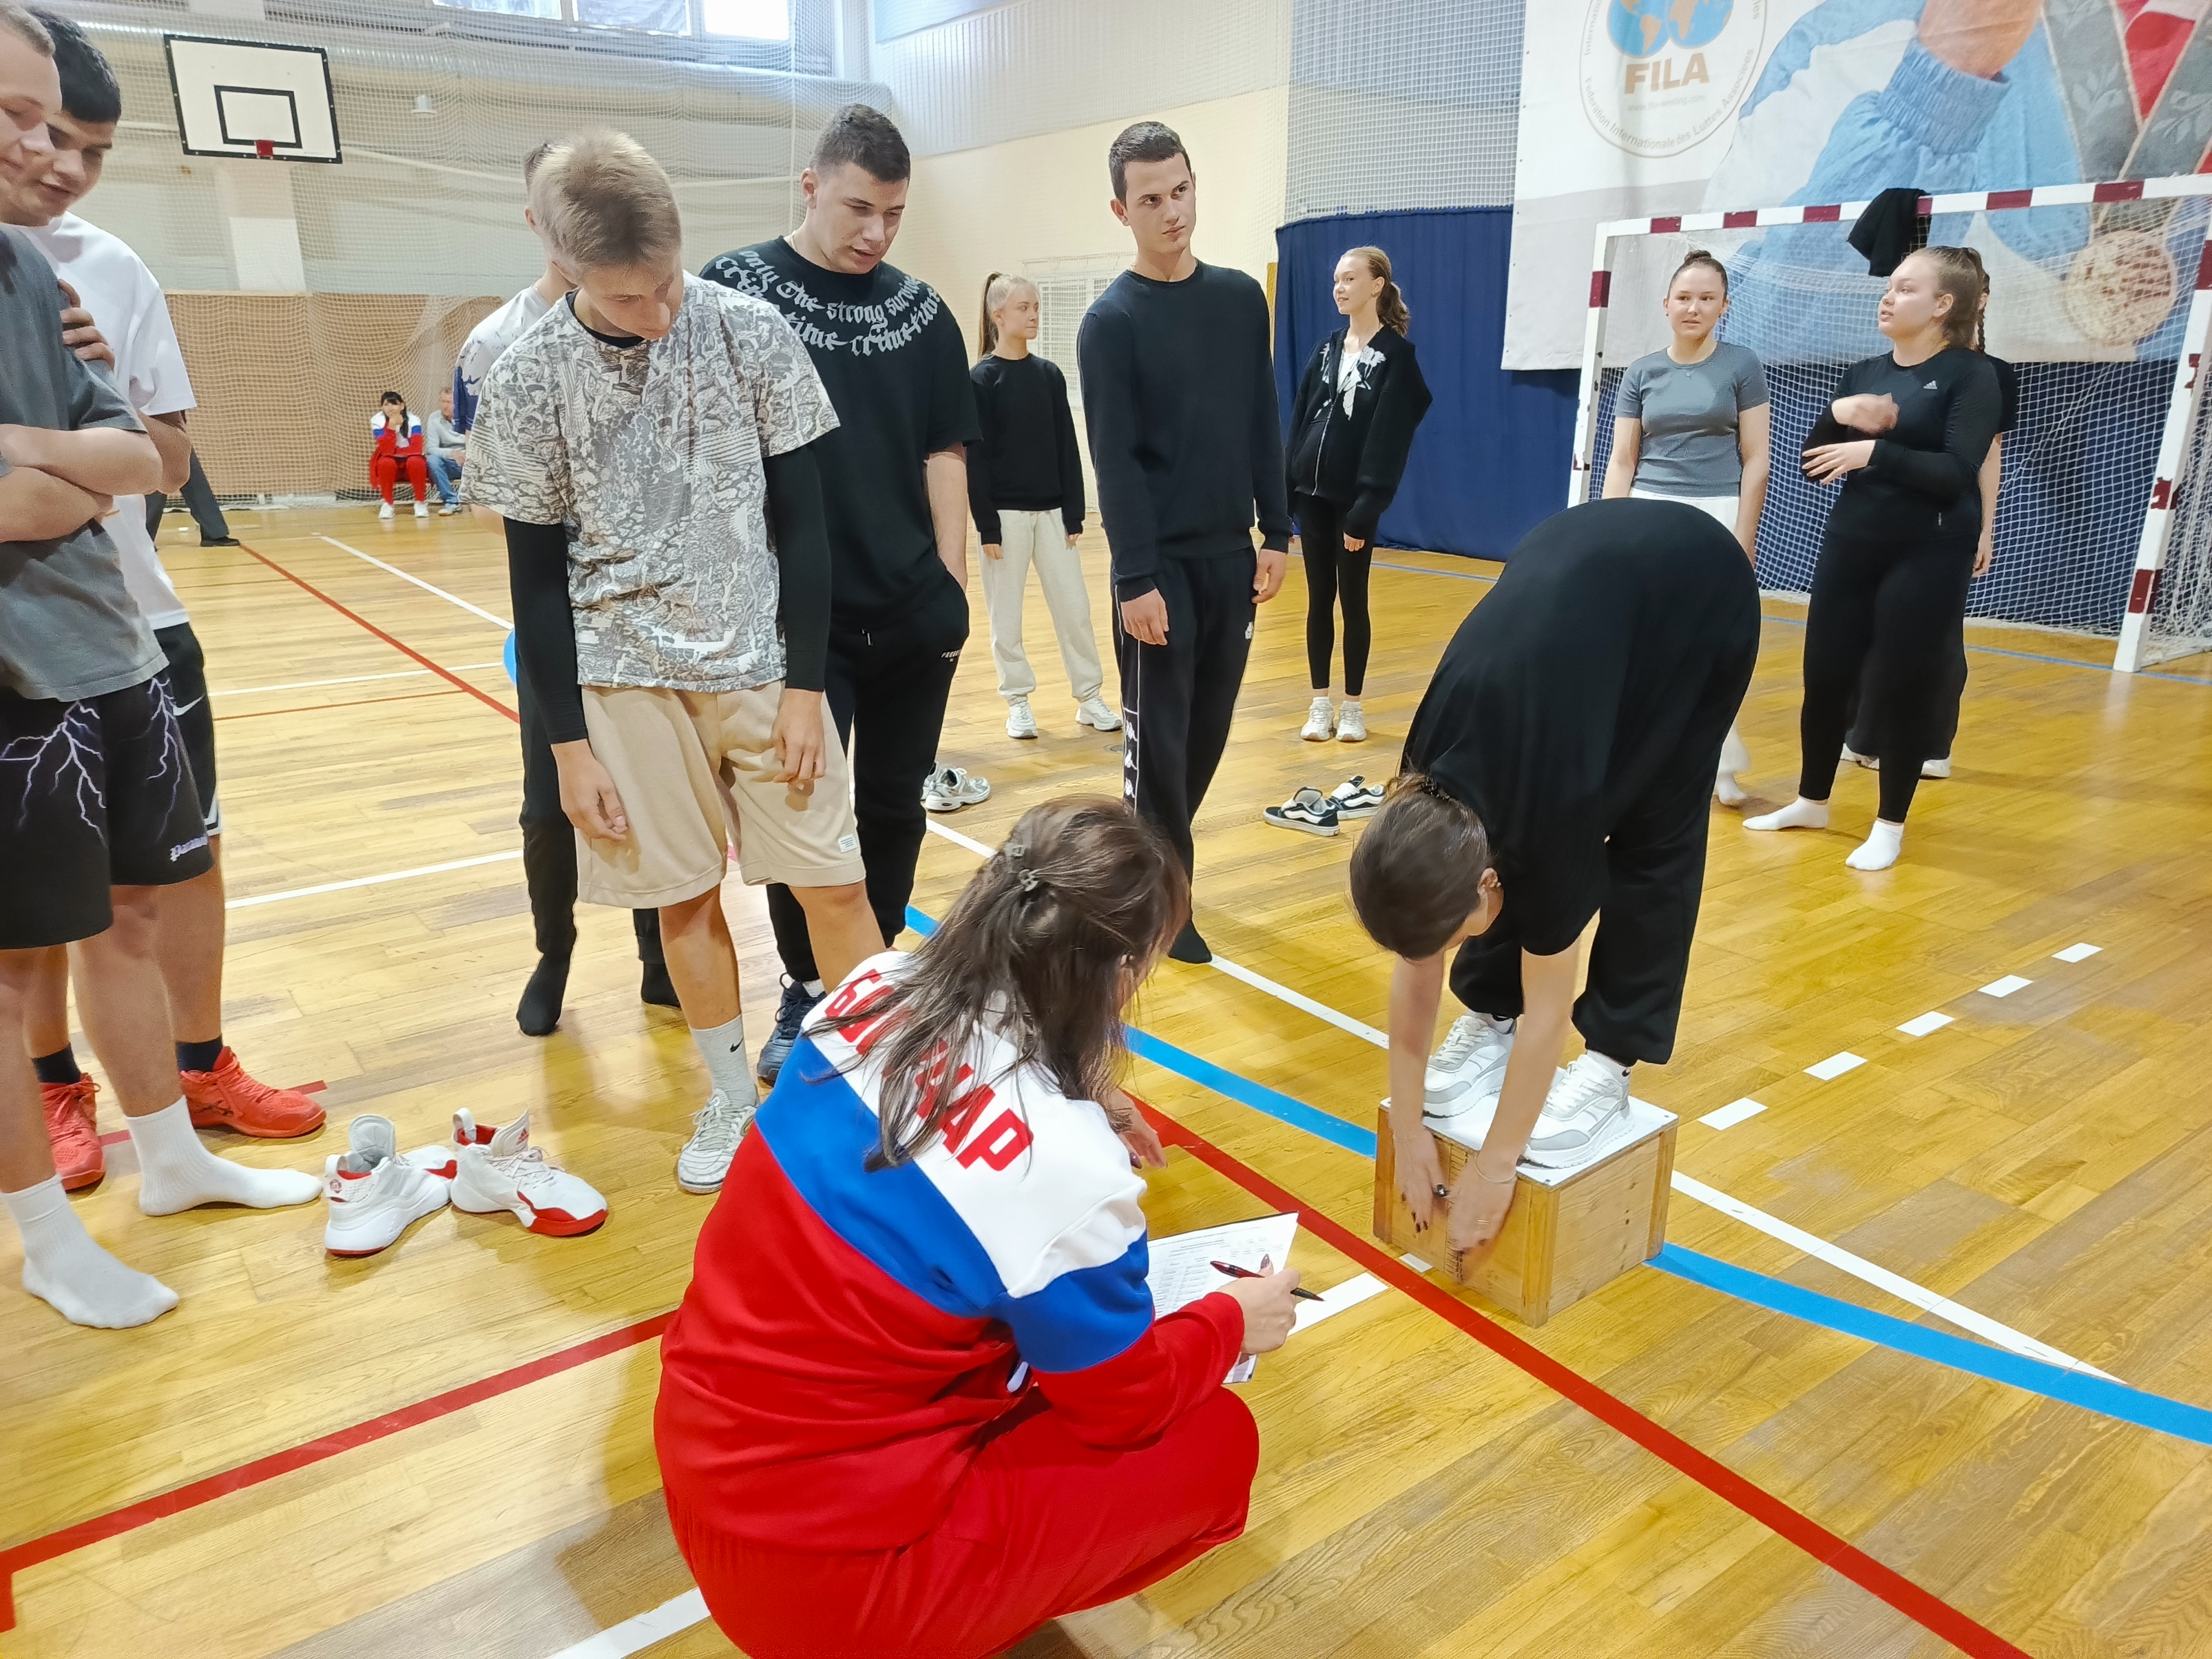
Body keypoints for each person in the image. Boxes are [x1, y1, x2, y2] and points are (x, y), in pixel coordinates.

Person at [654, 797, 1296, 1659]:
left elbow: (962, 1101)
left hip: (704, 1464)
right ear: (1119, 975)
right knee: (1215, 1443)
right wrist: (1229, 1321)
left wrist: (1084, 1093)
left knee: (1000, 1341)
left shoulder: (870, 987)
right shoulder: (1067, 1170)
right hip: (831, 1586)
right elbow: (1125, 1407)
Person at [465, 129, 882, 1196]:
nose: (659, 310)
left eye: (666, 282)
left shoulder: (749, 328)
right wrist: (567, 746)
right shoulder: (525, 379)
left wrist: (803, 683)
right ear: (556, 256)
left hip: (757, 661)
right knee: (685, 900)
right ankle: (730, 1099)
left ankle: (896, 1083)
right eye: (627, 297)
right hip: (622, 677)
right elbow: (536, 584)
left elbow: (807, 521)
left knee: (834, 885)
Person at [1, 3, 319, 1331]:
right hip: (18, 678)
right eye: (22, 121)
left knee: (132, 915)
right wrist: (68, 466)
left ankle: (173, 1159)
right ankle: (42, 1235)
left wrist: (45, 456)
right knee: (17, 972)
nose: (48, 155)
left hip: (112, 643)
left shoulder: (41, 270)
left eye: (68, 133)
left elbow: (140, 463)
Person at [1348, 497, 1758, 1257]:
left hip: (1697, 599)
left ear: (1489, 883)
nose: (1436, 955)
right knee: (1517, 890)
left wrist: (1497, 1167)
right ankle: (1485, 1017)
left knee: (1652, 839)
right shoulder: (1420, 791)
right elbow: (1416, 975)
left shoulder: (1556, 815)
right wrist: (1408, 1134)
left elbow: (1550, 1011)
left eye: (1456, 935)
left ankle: (1612, 1059)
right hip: (1580, 586)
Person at [700, 104, 980, 1083]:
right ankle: (806, 991)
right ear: (810, 185)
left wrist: (949, 582)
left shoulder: (923, 312)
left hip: (909, 612)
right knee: (800, 821)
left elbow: (943, 450)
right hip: (793, 625)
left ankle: (870, 987)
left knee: (895, 810)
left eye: (894, 214)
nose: (876, 232)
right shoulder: (733, 292)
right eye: (859, 207)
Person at [453, 140, 670, 1037]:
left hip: (658, 621)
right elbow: (489, 504)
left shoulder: (664, 317)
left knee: (659, 798)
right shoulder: (500, 346)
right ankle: (556, 952)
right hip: (561, 617)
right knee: (551, 808)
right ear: (537, 220)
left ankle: (662, 957)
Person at [1078, 121, 1291, 965]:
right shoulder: (1111, 322)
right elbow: (1116, 460)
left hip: (1229, 558)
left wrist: (1277, 528)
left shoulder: (1241, 299)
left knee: (1203, 740)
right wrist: (1134, 579)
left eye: (1181, 191)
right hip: (1155, 567)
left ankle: (1139, 873)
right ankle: (1167, 906)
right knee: (1157, 749)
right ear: (1121, 209)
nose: (1172, 212)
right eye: (1151, 199)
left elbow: (1259, 418)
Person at [1745, 248, 2001, 872]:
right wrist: (1836, 414)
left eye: (1905, 289)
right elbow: (1813, 465)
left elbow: (1956, 472)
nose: (1886, 298)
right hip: (1851, 543)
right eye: (1888, 287)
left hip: (1928, 550)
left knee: (1902, 684)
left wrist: (1874, 455)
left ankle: (1889, 824)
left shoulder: (1973, 376)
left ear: (1942, 305)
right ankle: (1811, 799)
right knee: (1825, 675)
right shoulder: (1861, 372)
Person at [1599, 250, 1771, 804]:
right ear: (1665, 304)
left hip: (1715, 513)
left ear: (1724, 306)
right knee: (1642, 643)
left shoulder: (1741, 366)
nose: (1692, 307)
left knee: (1708, 645)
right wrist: (1606, 527)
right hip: (1646, 513)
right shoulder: (1641, 371)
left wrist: (1742, 537)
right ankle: (1642, 760)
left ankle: (1719, 762)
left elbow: (1757, 459)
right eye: (1683, 297)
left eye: (1705, 298)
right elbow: (1623, 458)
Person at [1845, 278, 2012, 783]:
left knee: (1937, 636)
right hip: (1881, 525)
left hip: (1944, 527)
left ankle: (1932, 744)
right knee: (1871, 630)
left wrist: (1985, 528)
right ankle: (1864, 736)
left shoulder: (1987, 374)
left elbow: (1985, 457)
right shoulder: (1880, 371)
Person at [1283, 245, 1432, 746]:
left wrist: (1367, 507)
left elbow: (1389, 439)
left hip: (1353, 504)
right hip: (1312, 497)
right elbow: (1301, 419)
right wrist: (1287, 489)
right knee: (1318, 600)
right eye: (1336, 280)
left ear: (1377, 286)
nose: (1340, 288)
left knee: (1354, 600)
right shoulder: (1326, 349)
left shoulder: (1396, 358)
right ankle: (1319, 702)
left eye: (1350, 279)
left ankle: (1352, 706)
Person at [968, 271, 1118, 743]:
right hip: (1005, 520)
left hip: (1054, 515)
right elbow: (978, 457)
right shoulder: (981, 379)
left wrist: (1074, 511)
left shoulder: (1050, 375)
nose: (1034, 315)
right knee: (1005, 617)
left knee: (1074, 608)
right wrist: (987, 525)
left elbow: (1066, 448)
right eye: (1023, 308)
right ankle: (1017, 702)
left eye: (1036, 307)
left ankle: (1089, 696)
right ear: (998, 316)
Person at [142, 447, 235, 547]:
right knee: (157, 480)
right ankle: (142, 538)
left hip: (174, 434)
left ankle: (214, 532)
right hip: (150, 437)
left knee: (193, 476)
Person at [370, 390, 431, 521]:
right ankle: (388, 503)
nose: (390, 408)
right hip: (392, 466)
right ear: (382, 407)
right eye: (386, 405)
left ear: (402, 406)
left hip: (410, 465)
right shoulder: (377, 421)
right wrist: (392, 427)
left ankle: (420, 502)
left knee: (416, 461)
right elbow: (385, 450)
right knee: (385, 462)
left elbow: (417, 448)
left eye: (394, 404)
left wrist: (396, 453)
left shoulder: (414, 420)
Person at [421, 386, 462, 515]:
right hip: (449, 462)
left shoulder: (468, 418)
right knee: (432, 460)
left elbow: (477, 444)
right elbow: (431, 449)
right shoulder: (434, 419)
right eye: (443, 402)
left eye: (449, 402)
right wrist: (451, 454)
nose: (445, 406)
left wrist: (465, 455)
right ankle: (451, 501)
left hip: (469, 461)